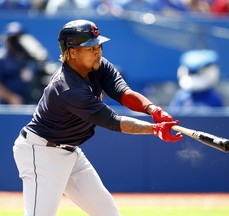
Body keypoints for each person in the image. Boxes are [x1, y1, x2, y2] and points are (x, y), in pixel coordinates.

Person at [12, 19, 182, 216]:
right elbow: (113, 121)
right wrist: (154, 129)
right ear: (72, 52)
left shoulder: (98, 66)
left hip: (70, 153)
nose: (97, 50)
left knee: (108, 213)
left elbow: (123, 93)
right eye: (90, 47)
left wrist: (153, 110)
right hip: (41, 153)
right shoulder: (67, 87)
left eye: (98, 45)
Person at [0, 21, 50, 104]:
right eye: (12, 39)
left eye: (18, 39)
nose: (15, 43)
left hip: (29, 102)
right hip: (7, 106)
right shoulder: (2, 58)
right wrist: (10, 97)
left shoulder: (30, 55)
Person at [168, 49, 225, 113]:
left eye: (199, 73)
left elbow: (221, 120)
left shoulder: (214, 97)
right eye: (191, 73)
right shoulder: (181, 96)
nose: (195, 77)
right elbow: (173, 117)